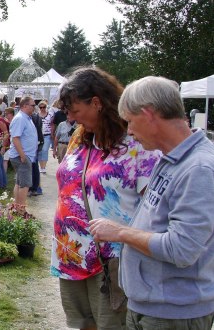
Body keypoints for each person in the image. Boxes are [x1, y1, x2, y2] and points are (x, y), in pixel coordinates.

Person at [90, 76, 214, 330]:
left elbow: (181, 249)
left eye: (131, 122)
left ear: (148, 114)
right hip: (153, 306)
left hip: (174, 313)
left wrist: (121, 232)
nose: (130, 132)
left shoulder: (198, 168)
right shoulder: (171, 159)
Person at [53, 68, 161, 330]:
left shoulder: (136, 146)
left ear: (97, 103)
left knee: (111, 325)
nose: (70, 117)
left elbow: (155, 209)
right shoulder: (80, 139)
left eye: (75, 110)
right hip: (71, 253)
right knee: (83, 324)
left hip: (111, 261)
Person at [5, 96, 38, 209]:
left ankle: (17, 208)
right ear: (24, 106)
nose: (34, 107)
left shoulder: (26, 117)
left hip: (23, 155)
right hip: (22, 156)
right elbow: (15, 138)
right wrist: (23, 155)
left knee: (19, 183)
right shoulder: (20, 118)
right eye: (32, 105)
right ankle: (21, 210)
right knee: (25, 184)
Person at [38, 100, 54, 173]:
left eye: (43, 107)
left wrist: (52, 133)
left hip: (47, 135)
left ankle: (43, 167)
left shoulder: (50, 115)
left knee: (44, 150)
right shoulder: (37, 115)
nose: (42, 108)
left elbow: (52, 124)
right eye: (40, 107)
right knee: (40, 151)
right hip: (39, 136)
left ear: (46, 107)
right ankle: (41, 166)